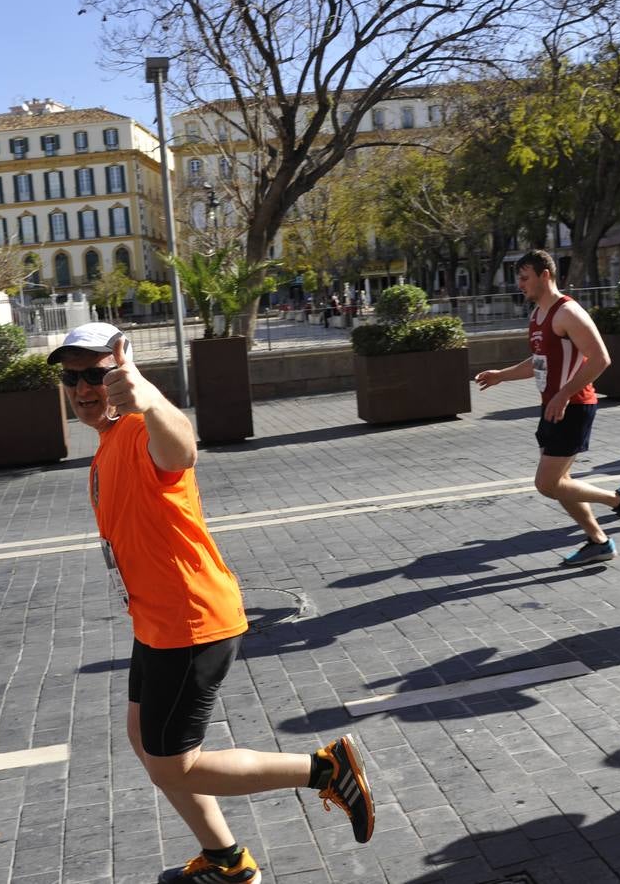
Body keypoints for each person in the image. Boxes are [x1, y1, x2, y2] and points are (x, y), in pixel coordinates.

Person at [48, 322, 375, 883]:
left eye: (96, 375)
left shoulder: (136, 429)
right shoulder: (107, 442)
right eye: (72, 376)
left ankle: (324, 770)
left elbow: (181, 448)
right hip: (154, 620)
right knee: (145, 742)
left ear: (121, 373)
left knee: (177, 763)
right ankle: (225, 860)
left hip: (189, 620)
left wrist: (149, 398)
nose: (82, 388)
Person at [475, 249, 620, 565]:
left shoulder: (567, 312)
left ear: (545, 275)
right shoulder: (537, 316)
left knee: (547, 484)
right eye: (518, 278)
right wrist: (503, 375)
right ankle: (599, 541)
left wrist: (565, 394)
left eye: (525, 278)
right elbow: (540, 363)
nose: (520, 284)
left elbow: (601, 358)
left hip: (574, 406)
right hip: (553, 407)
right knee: (560, 485)